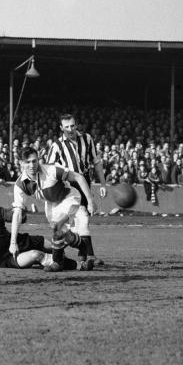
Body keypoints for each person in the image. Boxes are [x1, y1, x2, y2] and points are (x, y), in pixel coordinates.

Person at [10, 146, 96, 272]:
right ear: (21, 163)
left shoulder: (52, 170)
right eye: (27, 162)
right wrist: (13, 242)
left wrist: (90, 201)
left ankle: (57, 262)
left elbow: (78, 177)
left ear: (38, 159)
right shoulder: (20, 185)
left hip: (69, 197)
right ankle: (82, 246)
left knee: (57, 225)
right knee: (62, 233)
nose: (32, 165)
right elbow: (17, 213)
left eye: (34, 161)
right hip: (51, 204)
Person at [45, 113, 107, 268]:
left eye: (72, 125)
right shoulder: (56, 146)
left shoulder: (87, 139)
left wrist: (103, 184)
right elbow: (49, 170)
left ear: (76, 125)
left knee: (82, 216)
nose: (70, 129)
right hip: (68, 186)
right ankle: (81, 256)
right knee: (75, 218)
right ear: (61, 128)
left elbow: (96, 162)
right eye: (66, 127)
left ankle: (85, 255)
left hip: (85, 181)